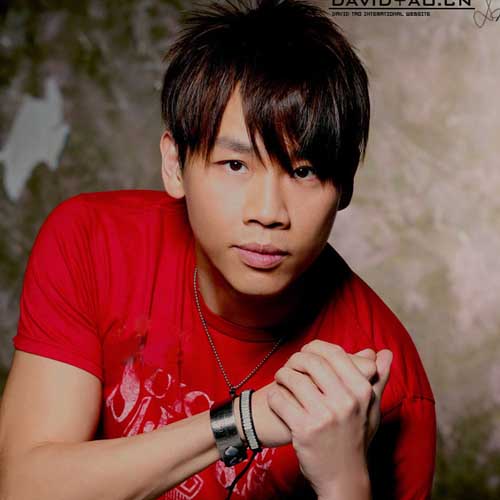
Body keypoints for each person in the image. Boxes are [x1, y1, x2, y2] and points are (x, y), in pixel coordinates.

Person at [0, 0, 436, 499]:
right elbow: (25, 489)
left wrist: (344, 479)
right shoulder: (93, 243)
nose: (268, 212)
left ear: (346, 186)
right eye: (235, 165)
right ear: (175, 165)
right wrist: (243, 420)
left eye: (303, 171)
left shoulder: (391, 382)